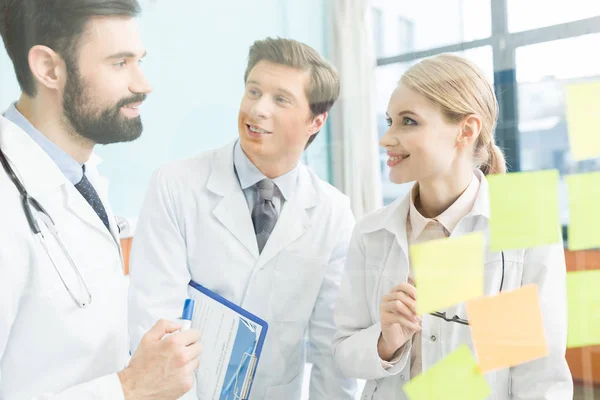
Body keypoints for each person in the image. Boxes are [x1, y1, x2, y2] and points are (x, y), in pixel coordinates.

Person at [128, 37, 357, 399]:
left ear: (315, 121)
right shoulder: (175, 185)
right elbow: (154, 322)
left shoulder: (333, 211)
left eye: (280, 99)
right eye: (253, 91)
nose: (258, 109)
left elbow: (332, 348)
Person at [333, 54, 573, 399]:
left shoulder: (524, 228)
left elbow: (541, 378)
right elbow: (343, 353)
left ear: (466, 130)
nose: (387, 138)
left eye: (408, 122)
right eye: (390, 121)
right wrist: (386, 342)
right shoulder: (371, 233)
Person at [0, 1, 201, 398]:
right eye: (119, 63)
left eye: (138, 60)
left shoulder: (80, 175)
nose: (143, 84)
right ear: (48, 69)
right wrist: (130, 387)